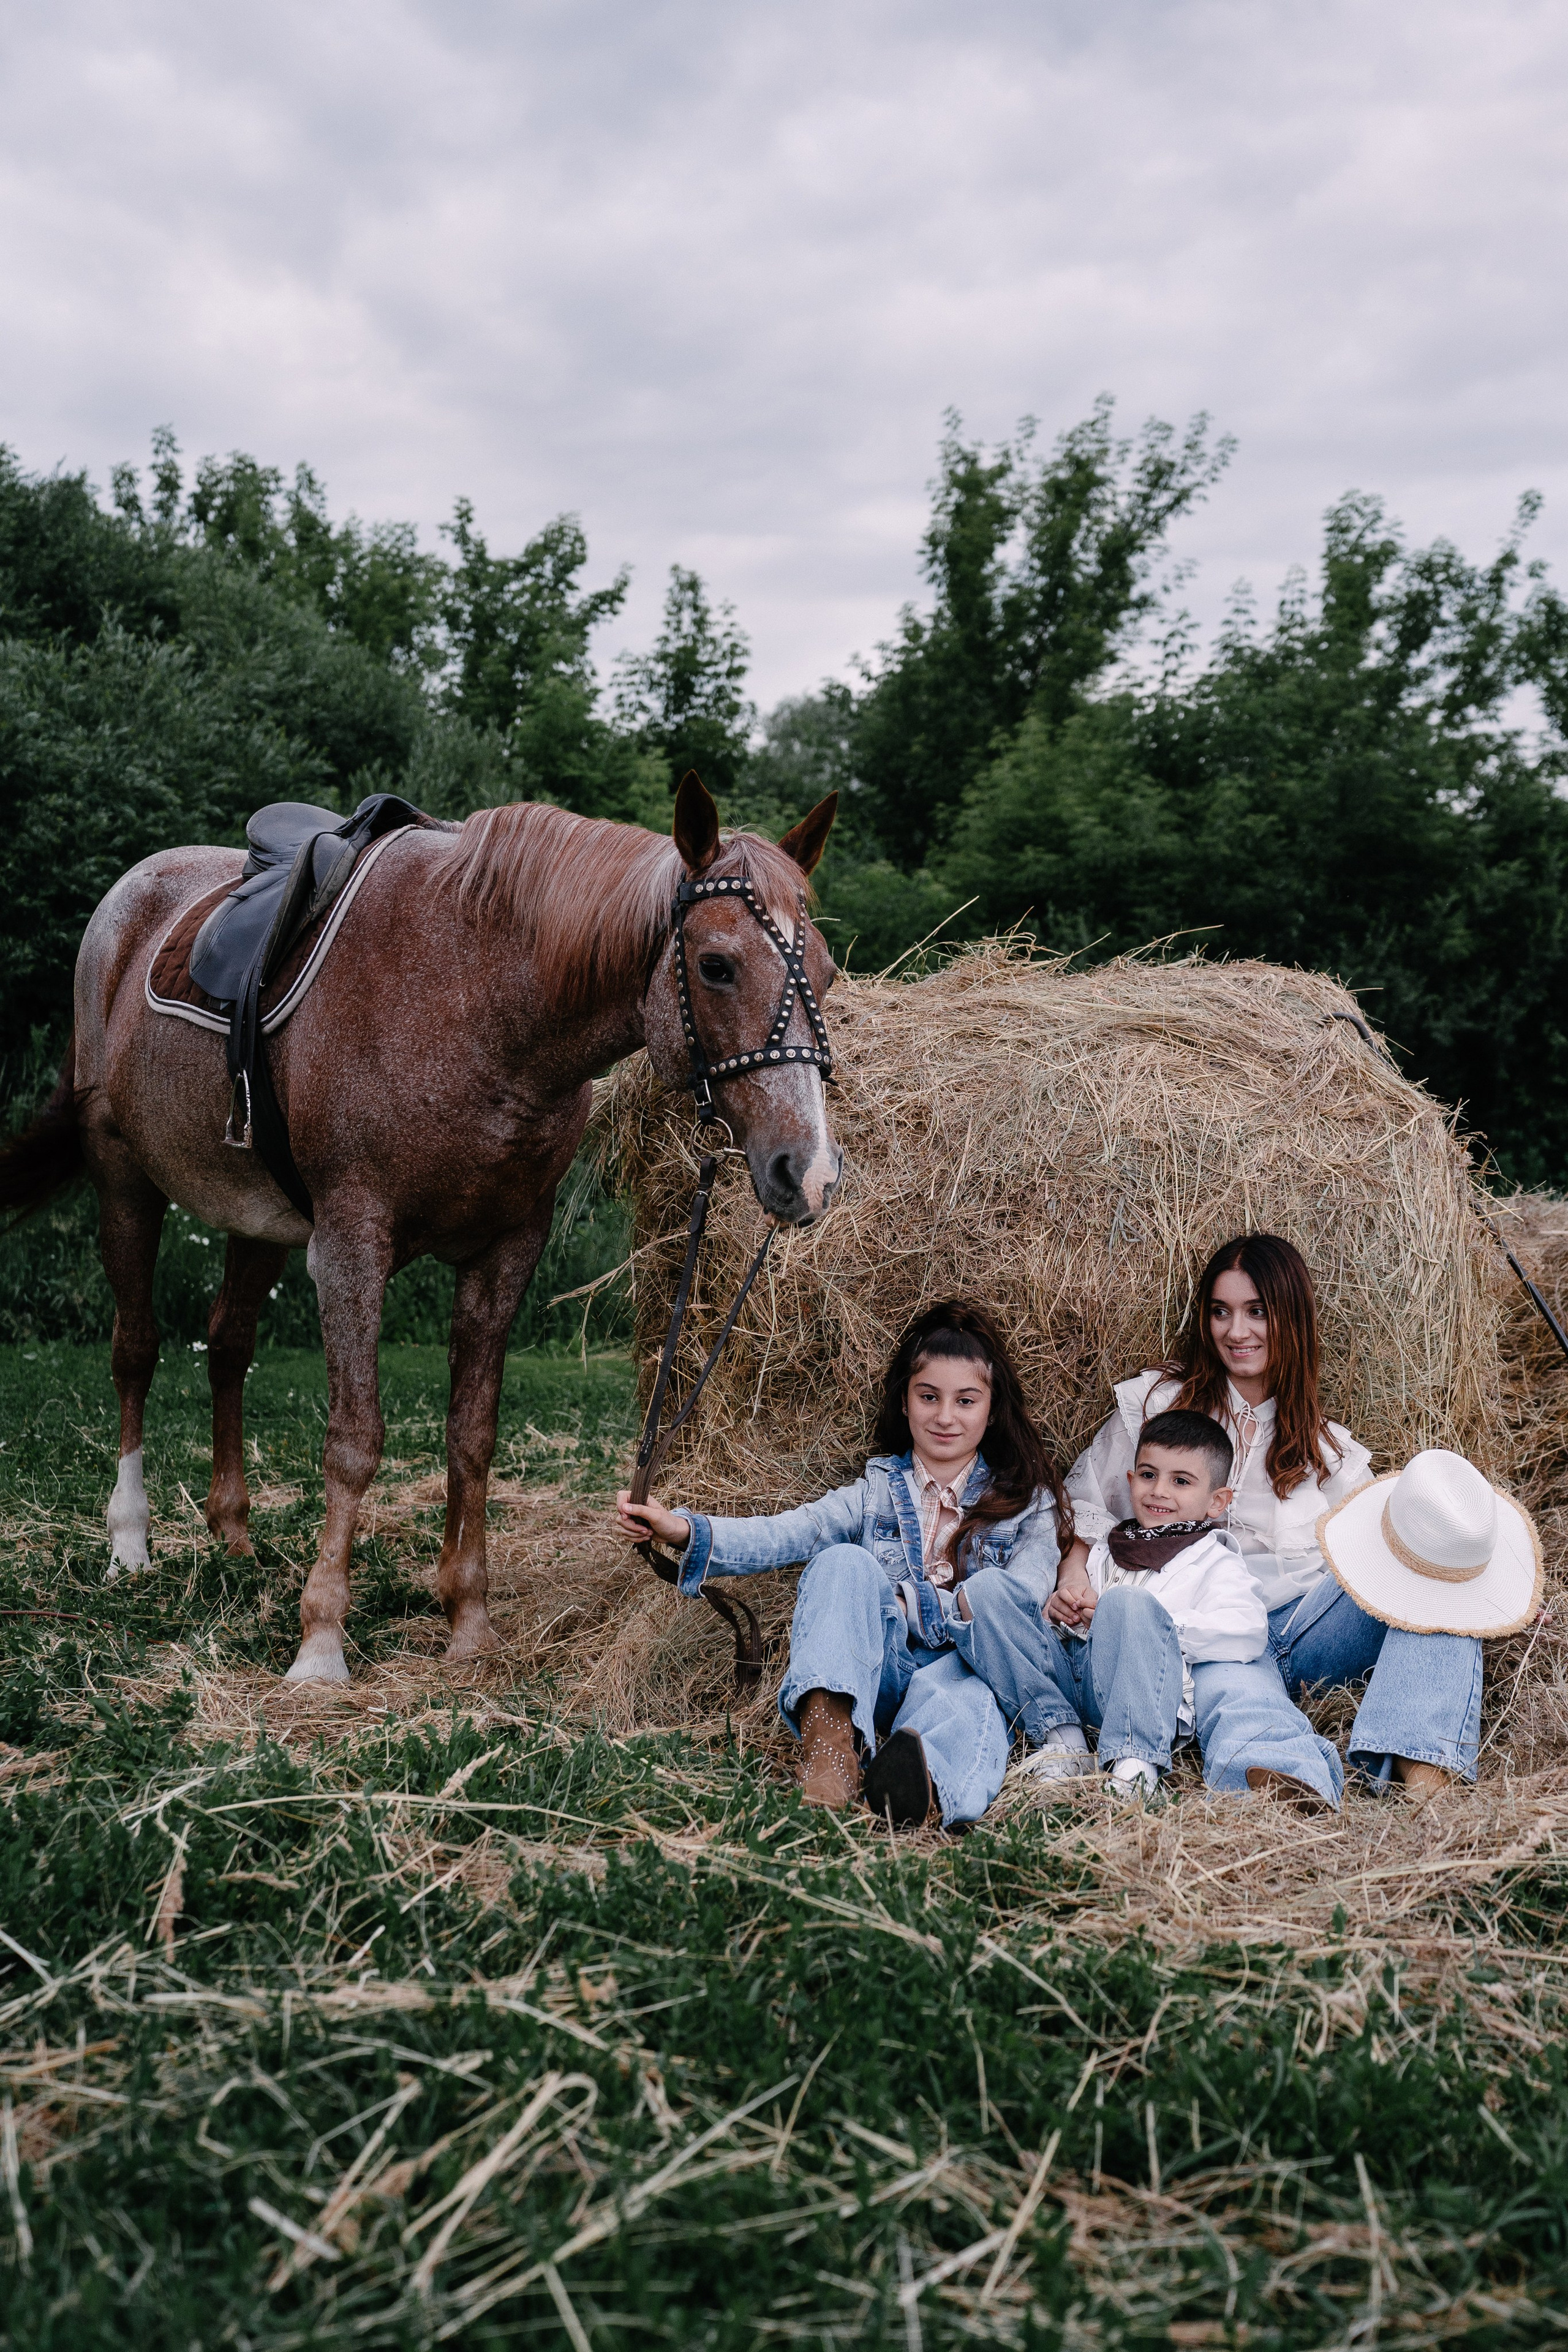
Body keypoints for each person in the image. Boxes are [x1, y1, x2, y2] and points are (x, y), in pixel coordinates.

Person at [615, 1298, 1076, 1829]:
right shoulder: (874, 1492)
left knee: (969, 1702)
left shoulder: (1029, 1503)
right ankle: (831, 1753)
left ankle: (919, 1790)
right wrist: (684, 1529)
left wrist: (907, 1603)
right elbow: (787, 1532)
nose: (945, 1416)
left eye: (965, 1401)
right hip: (877, 1672)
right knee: (841, 1563)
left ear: (991, 1410)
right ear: (905, 1403)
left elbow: (1021, 1599)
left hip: (968, 1670)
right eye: (928, 1396)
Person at [1066, 1232, 1480, 1807]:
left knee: (1432, 1574)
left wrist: (1481, 1585)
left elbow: (1380, 1557)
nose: (1237, 1332)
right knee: (1241, 1695)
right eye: (1221, 1312)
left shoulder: (1329, 1449)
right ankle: (1281, 1781)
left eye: (1257, 1311)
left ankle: (1423, 1772)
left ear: (1291, 1317)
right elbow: (1087, 1500)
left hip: (1307, 1630)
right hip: (1210, 1630)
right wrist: (1073, 1572)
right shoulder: (1159, 1405)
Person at [1038, 1408, 1269, 1798]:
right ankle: (1065, 1741)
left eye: (1180, 1481)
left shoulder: (1215, 1559)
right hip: (1081, 1684)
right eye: (1148, 1475)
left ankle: (1135, 1764)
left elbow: (1246, 1630)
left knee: (1129, 1603)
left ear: (1217, 1502)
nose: (1159, 1490)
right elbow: (1073, 1614)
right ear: (1131, 1481)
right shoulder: (1107, 1549)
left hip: (1144, 1697)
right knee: (1001, 1599)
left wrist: (1153, 1627)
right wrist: (1062, 1611)